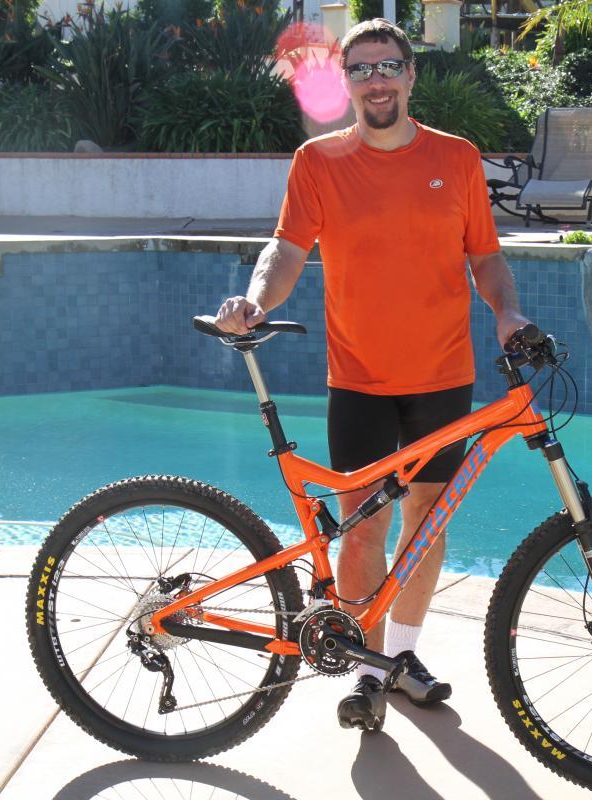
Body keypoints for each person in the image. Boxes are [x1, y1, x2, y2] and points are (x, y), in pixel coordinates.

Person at [214, 18, 531, 729]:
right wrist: (256, 300)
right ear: (346, 83)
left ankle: (404, 658)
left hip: (444, 375)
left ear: (411, 75)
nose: (375, 81)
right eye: (359, 70)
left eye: (387, 67)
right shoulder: (318, 162)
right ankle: (365, 669)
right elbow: (287, 248)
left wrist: (508, 313)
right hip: (357, 378)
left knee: (427, 521)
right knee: (364, 531)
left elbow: (485, 256)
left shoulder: (457, 157)